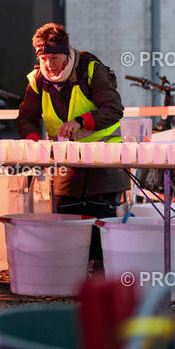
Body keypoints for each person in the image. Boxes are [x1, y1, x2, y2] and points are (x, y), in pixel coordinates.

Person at [16, 23, 128, 271]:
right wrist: (34, 142)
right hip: (67, 164)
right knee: (69, 222)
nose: (49, 65)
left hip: (104, 161)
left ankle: (100, 281)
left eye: (54, 57)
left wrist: (80, 122)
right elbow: (26, 117)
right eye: (44, 58)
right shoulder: (37, 80)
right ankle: (70, 279)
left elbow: (114, 109)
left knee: (102, 224)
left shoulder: (91, 70)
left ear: (66, 53)